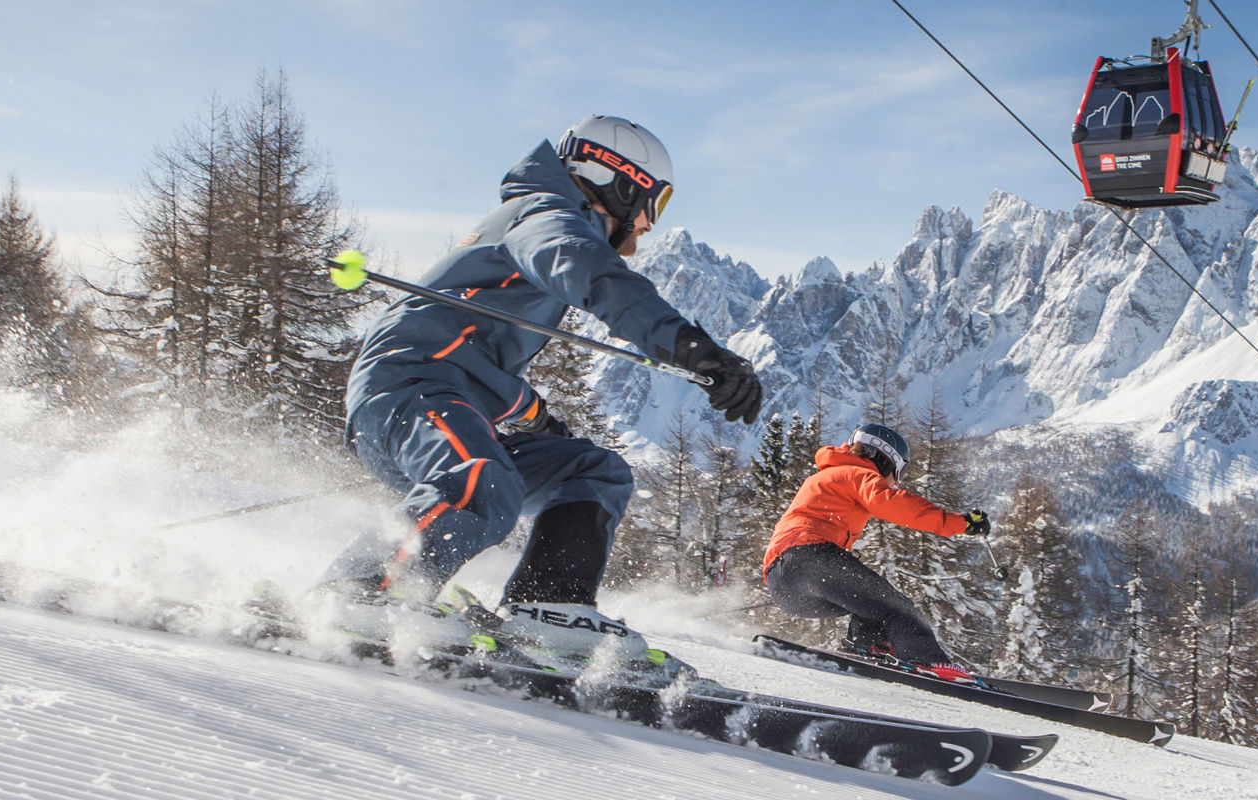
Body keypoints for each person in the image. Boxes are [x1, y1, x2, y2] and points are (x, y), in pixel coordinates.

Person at [313, 115, 762, 672]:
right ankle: (362, 590)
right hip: (406, 388)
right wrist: (690, 345)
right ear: (619, 181)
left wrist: (537, 421)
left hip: (447, 393)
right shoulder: (545, 216)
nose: (648, 225)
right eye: (653, 202)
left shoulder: (540, 221)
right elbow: (591, 274)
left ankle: (550, 606)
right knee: (483, 477)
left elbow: (478, 357)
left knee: (593, 471)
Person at [761, 423, 991, 684]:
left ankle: (869, 647)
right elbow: (893, 503)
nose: (895, 481)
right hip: (810, 557)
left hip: (783, 581)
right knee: (898, 609)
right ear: (883, 459)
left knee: (870, 604)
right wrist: (960, 523)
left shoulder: (826, 476)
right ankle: (929, 662)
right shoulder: (856, 474)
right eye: (898, 471)